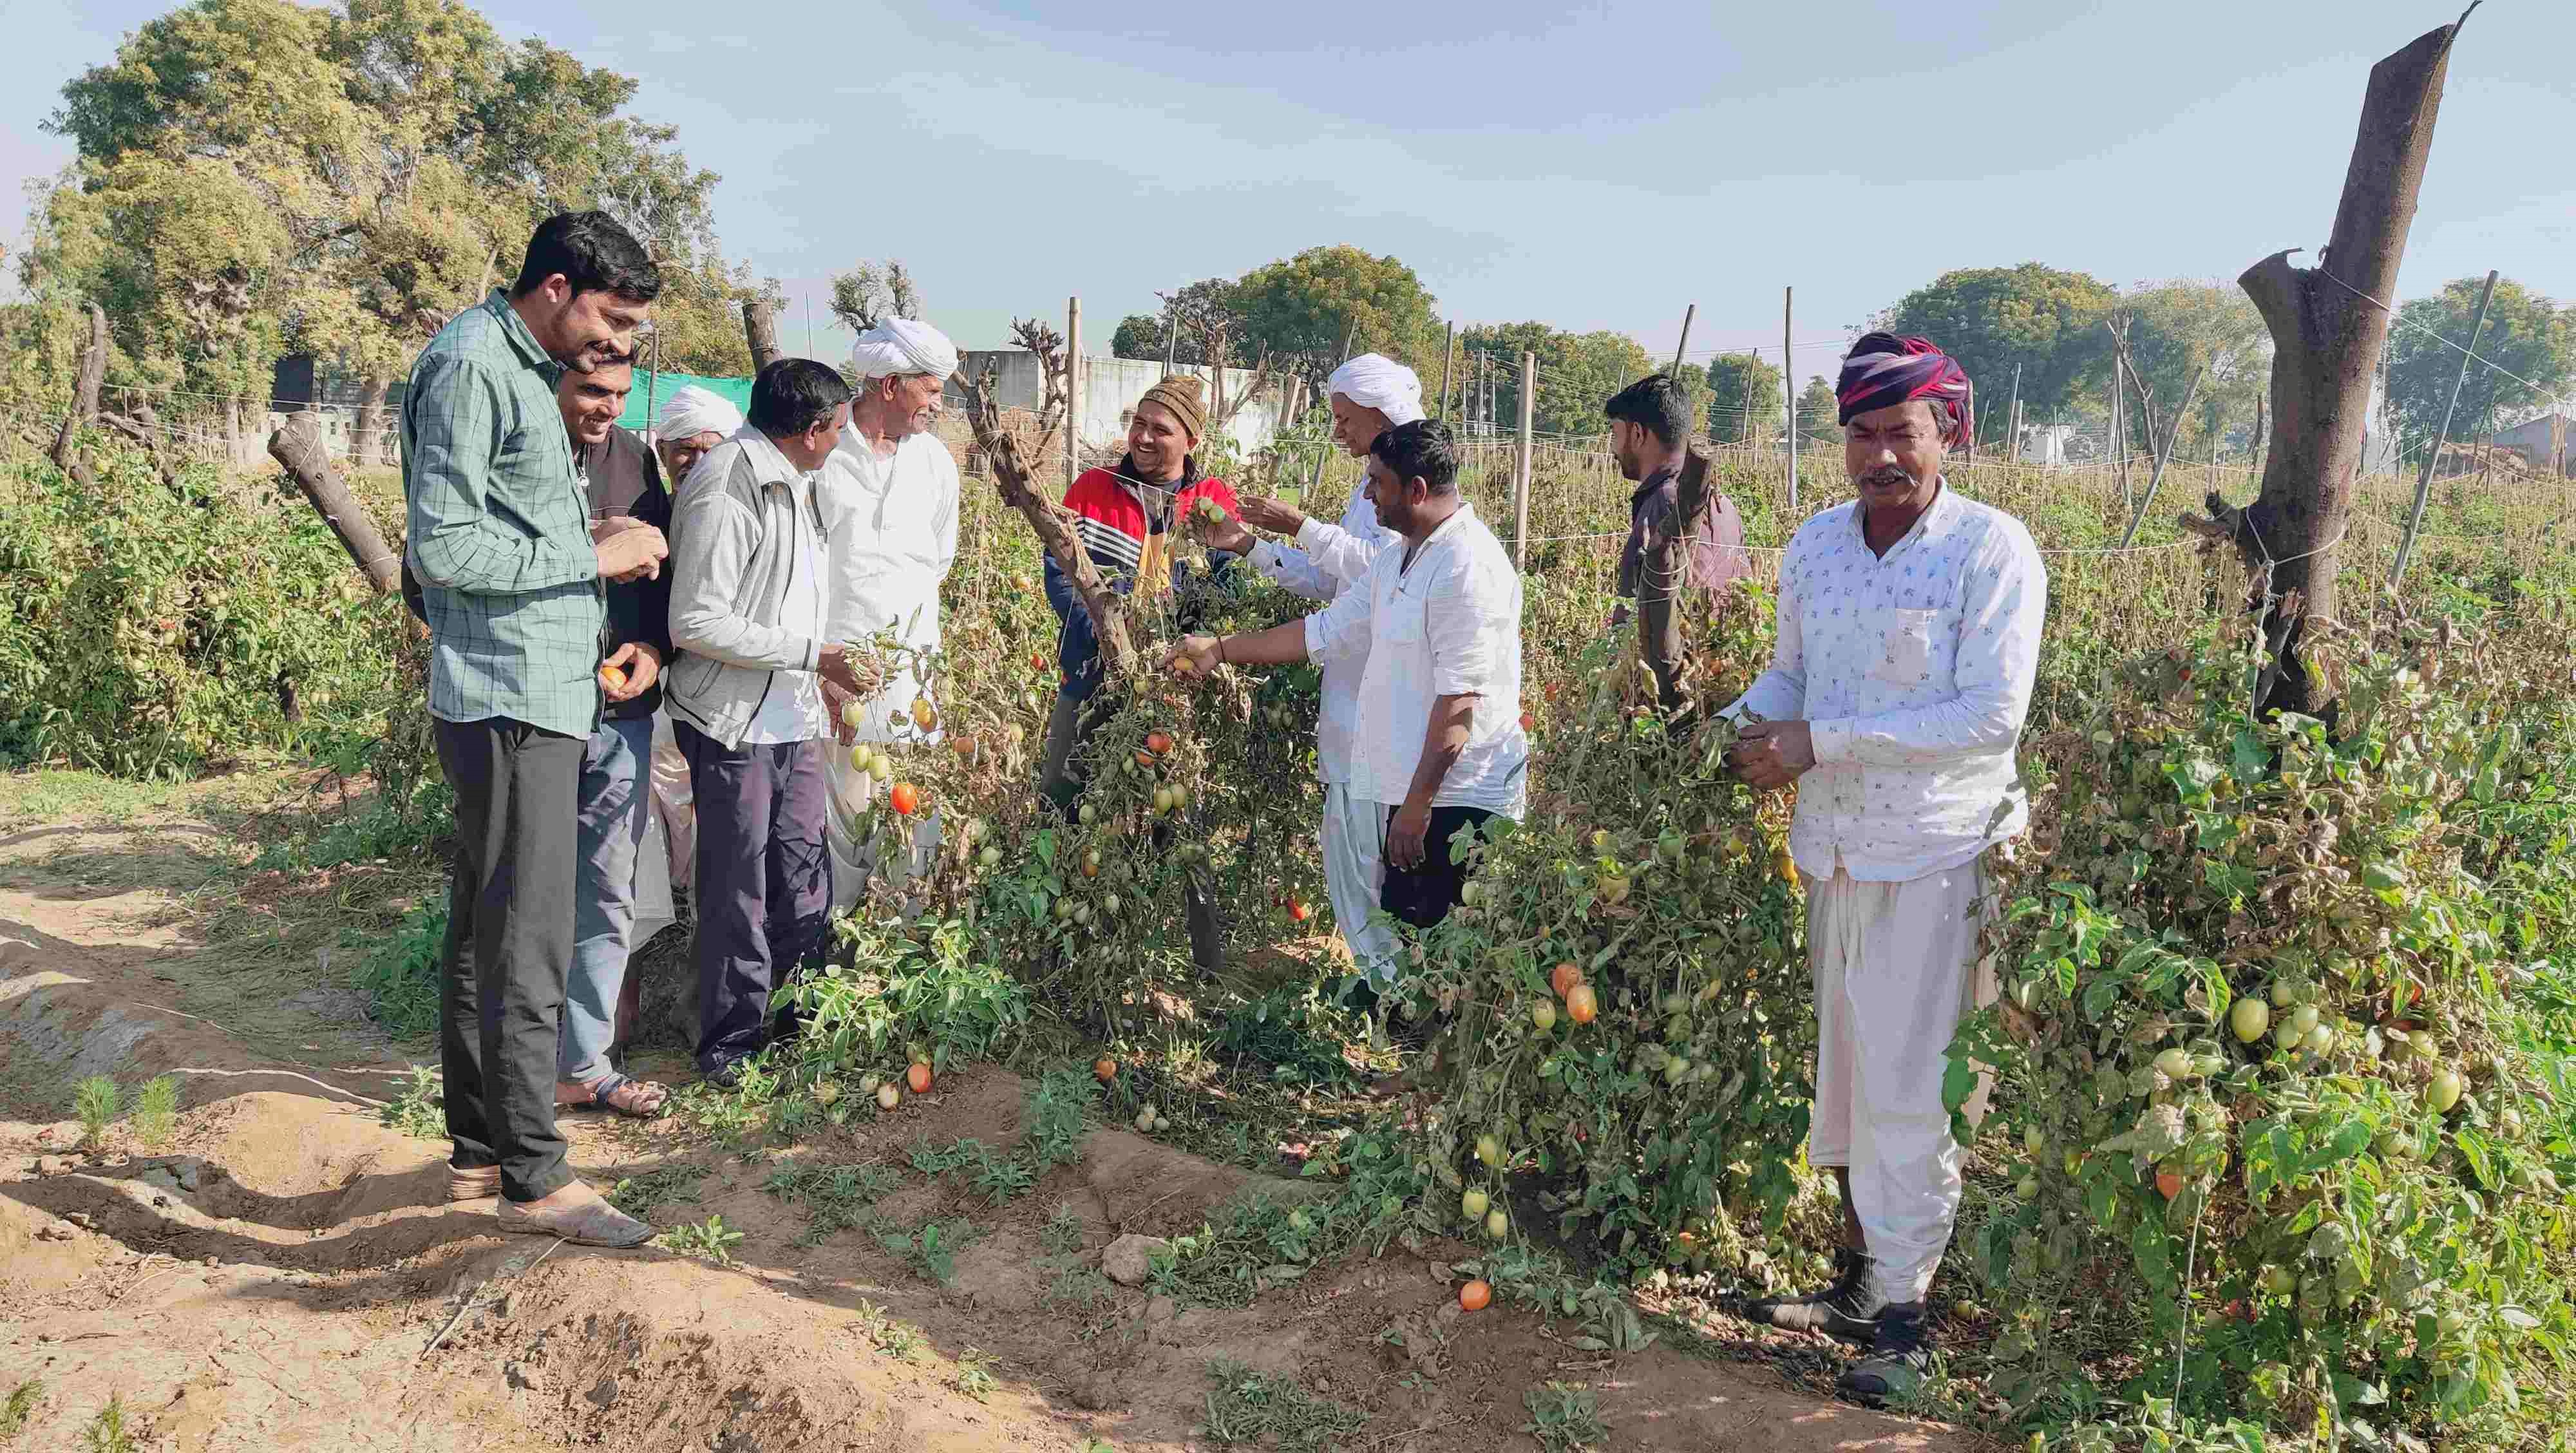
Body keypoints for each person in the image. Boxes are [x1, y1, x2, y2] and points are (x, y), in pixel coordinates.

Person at [1724, 332, 2045, 1405]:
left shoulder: (1991, 552)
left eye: (1899, 431)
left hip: (1937, 855)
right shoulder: (1816, 545)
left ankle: (1908, 1325)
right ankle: (1864, 1285)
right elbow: (1791, 676)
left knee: (1913, 1088)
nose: (1879, 455)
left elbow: (1990, 714)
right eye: (1860, 433)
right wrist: (1720, 726)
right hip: (1836, 853)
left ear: (1944, 430)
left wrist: (1824, 742)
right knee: (1852, 1076)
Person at [401, 209, 663, 1248]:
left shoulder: (513, 365)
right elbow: (446, 551)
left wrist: (579, 534)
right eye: (609, 318)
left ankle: (479, 1149)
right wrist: (586, 560)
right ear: (554, 288)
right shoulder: (475, 365)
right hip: (509, 695)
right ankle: (535, 1174)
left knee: (487, 922)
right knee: (529, 934)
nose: (617, 347)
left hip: (534, 687)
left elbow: (497, 524)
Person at [1167, 419, 1526, 943]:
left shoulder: (1466, 568)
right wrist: (1220, 650)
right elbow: (1323, 630)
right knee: (1411, 945)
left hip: (1459, 802)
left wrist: (1416, 807)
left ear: (1417, 490)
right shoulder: (1399, 558)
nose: (1366, 493)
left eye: (1377, 481)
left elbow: (1458, 709)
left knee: (1448, 959)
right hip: (1420, 793)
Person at [664, 358, 875, 1085]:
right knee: (737, 887)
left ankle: (799, 1025)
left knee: (803, 874)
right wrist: (816, 655)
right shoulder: (727, 486)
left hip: (790, 716)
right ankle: (730, 1044)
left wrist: (823, 672)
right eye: (840, 430)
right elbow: (695, 621)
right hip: (733, 723)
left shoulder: (798, 480)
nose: (843, 441)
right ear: (812, 431)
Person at [1195, 354, 1410, 987]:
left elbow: (1383, 573)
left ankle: (1395, 996)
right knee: (1356, 858)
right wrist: (1248, 545)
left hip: (1386, 705)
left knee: (1377, 864)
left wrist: (1301, 525)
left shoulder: (1412, 487)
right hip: (1354, 701)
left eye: (1345, 419)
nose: (1337, 431)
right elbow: (1328, 580)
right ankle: (1388, 991)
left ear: (1380, 413)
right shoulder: (1366, 489)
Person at [1039, 374, 1240, 970]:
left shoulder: (1212, 503)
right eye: (1139, 424)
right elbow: (1062, 576)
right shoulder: (1093, 489)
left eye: (1162, 428)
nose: (1145, 437)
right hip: (1090, 673)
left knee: (1182, 819)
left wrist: (1174, 649)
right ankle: (1050, 945)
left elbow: (1222, 591)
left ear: (1191, 438)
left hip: (1173, 687)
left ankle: (1204, 961)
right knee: (1063, 796)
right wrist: (1114, 637)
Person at [543, 356, 674, 1121]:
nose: (605, 410)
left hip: (620, 715)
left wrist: (652, 651)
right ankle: (512, 1061)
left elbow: (660, 575)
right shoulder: (514, 454)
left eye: (619, 397)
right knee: (526, 887)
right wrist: (595, 541)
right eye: (591, 392)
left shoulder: (632, 457)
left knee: (607, 889)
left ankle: (583, 1063)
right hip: (534, 711)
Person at [820, 319, 963, 908]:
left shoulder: (934, 462)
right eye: (929, 390)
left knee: (914, 822)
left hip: (913, 680)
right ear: (889, 386)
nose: (937, 403)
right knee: (840, 825)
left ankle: (905, 957)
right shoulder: (825, 452)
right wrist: (820, 664)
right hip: (833, 675)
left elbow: (939, 560)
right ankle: (834, 962)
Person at [1604, 373, 1748, 711]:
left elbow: (1651, 621)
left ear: (1638, 434)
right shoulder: (1724, 505)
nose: (1612, 448)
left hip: (1670, 706)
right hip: (1717, 693)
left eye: (1615, 432)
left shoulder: (1664, 505)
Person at [652, 384, 744, 490]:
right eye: (687, 449)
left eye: (711, 452)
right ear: (662, 452)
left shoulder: (739, 506)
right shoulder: (643, 505)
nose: (697, 464)